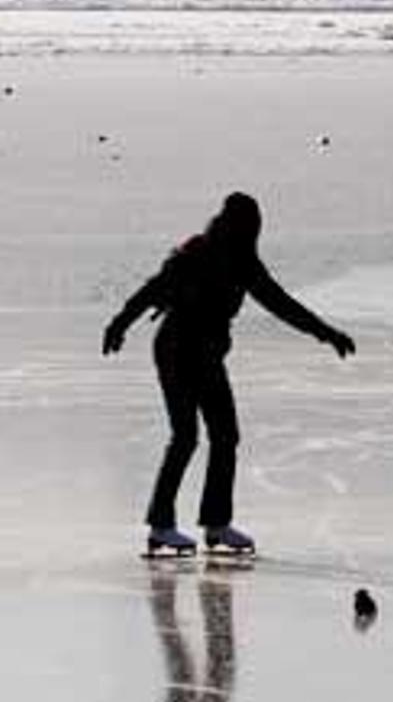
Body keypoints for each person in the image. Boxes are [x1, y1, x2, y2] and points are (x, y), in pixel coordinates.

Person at [103, 191, 355, 557]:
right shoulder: (199, 253)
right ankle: (163, 525)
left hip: (202, 353)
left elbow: (279, 303)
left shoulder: (242, 261)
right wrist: (120, 323)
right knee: (187, 435)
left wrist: (325, 332)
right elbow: (155, 288)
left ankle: (215, 523)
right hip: (178, 349)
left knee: (223, 435)